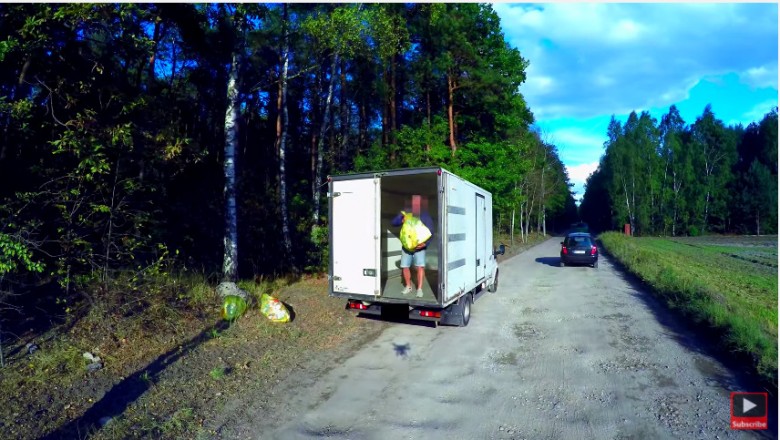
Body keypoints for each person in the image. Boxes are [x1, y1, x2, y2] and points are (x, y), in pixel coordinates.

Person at [391, 195, 434, 298]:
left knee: (420, 267)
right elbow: (393, 222)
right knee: (405, 266)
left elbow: (431, 231)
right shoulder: (405, 213)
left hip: (419, 247)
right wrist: (401, 220)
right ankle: (408, 286)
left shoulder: (424, 215)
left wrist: (425, 244)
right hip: (406, 247)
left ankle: (419, 289)